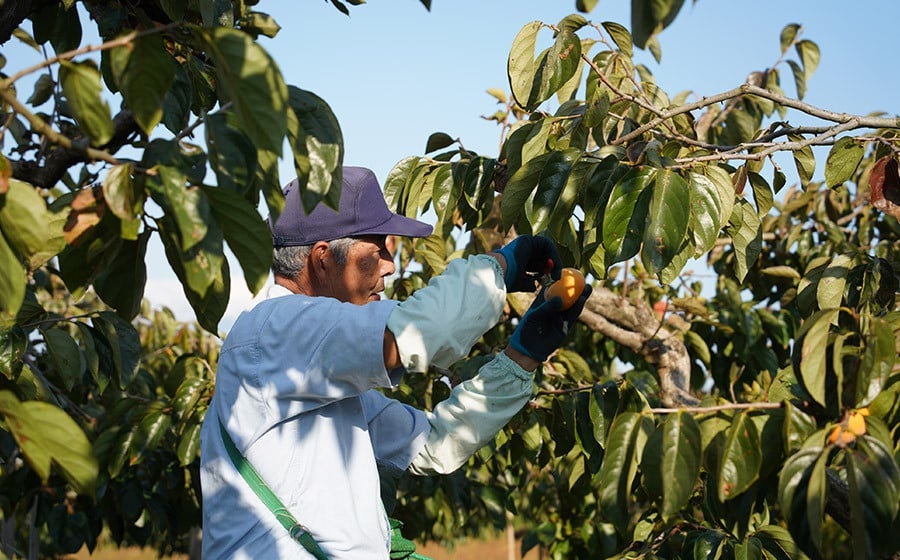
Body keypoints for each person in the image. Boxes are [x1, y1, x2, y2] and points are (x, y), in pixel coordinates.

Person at [199, 166, 591, 559]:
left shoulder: (319, 370)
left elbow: (434, 444)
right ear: (322, 259)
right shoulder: (278, 328)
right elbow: (418, 333)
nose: (389, 264)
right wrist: (499, 266)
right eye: (377, 251)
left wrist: (522, 357)